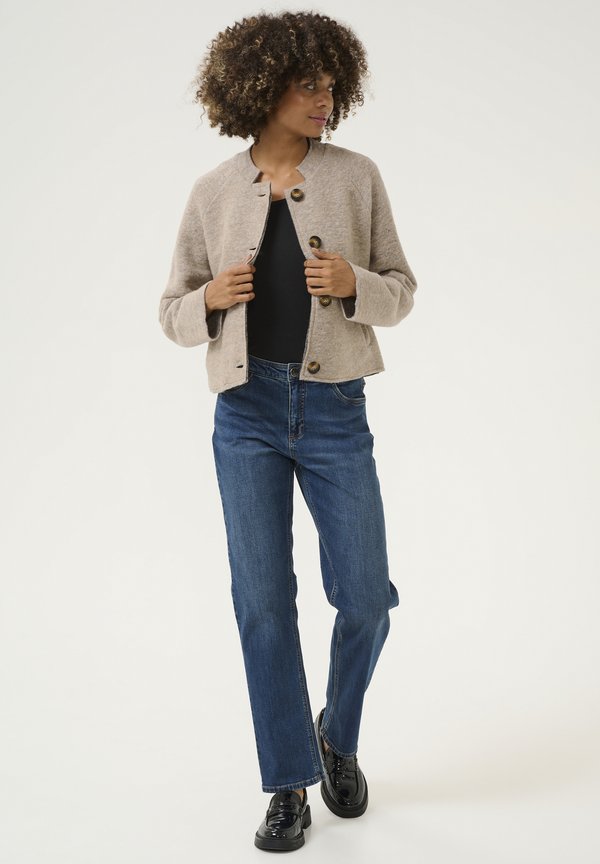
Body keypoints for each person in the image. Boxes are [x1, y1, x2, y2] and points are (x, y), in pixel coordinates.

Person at [158, 10, 418, 853]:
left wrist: (355, 284)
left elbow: (402, 289)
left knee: (367, 597)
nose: (324, 99)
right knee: (263, 604)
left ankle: (336, 733)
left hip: (336, 409)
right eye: (309, 85)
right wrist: (208, 301)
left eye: (331, 85)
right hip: (246, 416)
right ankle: (287, 784)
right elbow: (171, 310)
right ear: (260, 88)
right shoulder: (212, 192)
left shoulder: (356, 177)